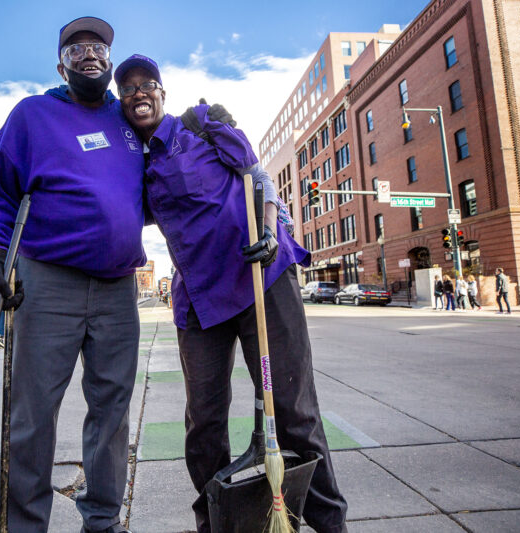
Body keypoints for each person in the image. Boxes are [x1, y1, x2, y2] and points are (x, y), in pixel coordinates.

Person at [114, 55, 347, 533]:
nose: (139, 92)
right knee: (203, 426)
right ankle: (217, 522)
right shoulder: (130, 162)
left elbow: (257, 177)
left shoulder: (200, 127)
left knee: (294, 413)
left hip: (259, 277)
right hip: (198, 300)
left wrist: (267, 228)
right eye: (128, 88)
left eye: (149, 84)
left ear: (163, 93)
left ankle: (329, 524)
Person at [0, 17, 144, 533]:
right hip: (47, 282)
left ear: (110, 63)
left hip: (118, 289)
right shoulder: (32, 116)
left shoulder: (129, 121)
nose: (89, 54)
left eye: (98, 47)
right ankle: (24, 525)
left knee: (112, 413)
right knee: (32, 415)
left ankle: (103, 520)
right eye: (76, 48)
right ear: (61, 65)